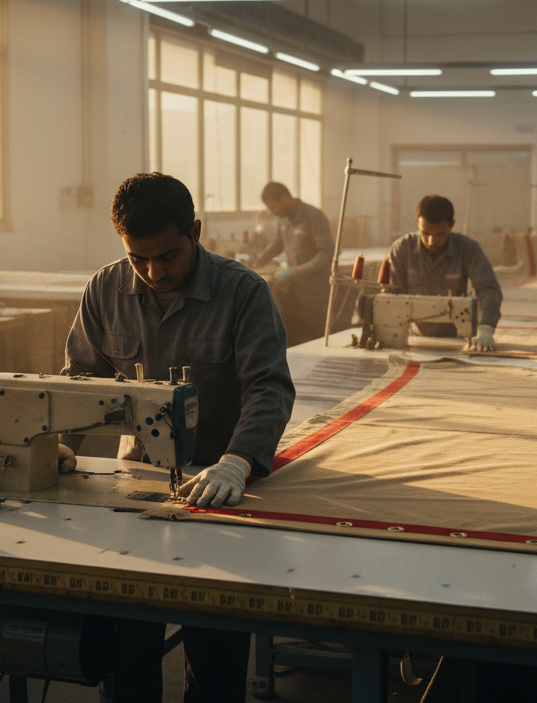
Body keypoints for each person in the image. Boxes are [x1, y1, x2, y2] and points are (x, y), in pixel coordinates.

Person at [58, 172, 294, 703]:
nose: (153, 272)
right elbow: (80, 381)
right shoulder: (105, 290)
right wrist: (63, 444)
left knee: (214, 659)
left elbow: (269, 386)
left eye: (167, 256)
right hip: (134, 488)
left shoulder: (243, 292)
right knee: (126, 655)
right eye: (137, 259)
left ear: (196, 232)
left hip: (221, 490)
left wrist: (237, 461)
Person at [387, 195, 503, 352]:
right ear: (417, 223)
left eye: (440, 234)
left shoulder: (467, 248)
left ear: (452, 225)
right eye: (425, 233)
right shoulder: (401, 249)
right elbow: (390, 298)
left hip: (457, 338)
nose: (431, 241)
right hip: (415, 339)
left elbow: (488, 289)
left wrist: (486, 328)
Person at [250, 181, 335, 346]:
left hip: (314, 291)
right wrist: (261, 259)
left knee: (312, 338)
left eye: (274, 207)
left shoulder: (313, 217)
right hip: (295, 289)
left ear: (285, 200)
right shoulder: (284, 219)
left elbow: (327, 253)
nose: (272, 212)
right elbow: (278, 243)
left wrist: (297, 271)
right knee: (294, 334)